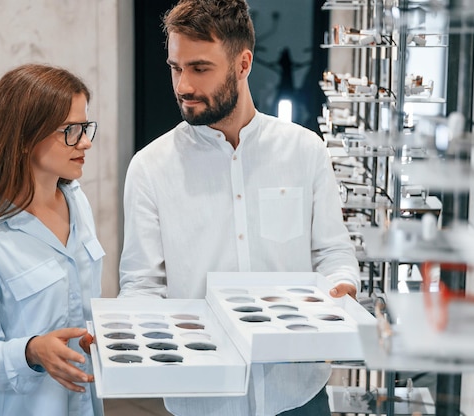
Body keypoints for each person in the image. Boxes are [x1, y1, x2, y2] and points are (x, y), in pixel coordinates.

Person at [119, 0, 360, 414]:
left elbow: (333, 253)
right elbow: (142, 285)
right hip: (201, 398)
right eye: (176, 68)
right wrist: (122, 334)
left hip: (298, 393)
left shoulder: (304, 150)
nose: (183, 86)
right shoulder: (149, 168)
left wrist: (341, 286)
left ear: (243, 63)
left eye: (199, 68)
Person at [0, 64, 104, 416]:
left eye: (86, 127)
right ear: (25, 138)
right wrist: (31, 351)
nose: (86, 141)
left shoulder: (79, 202)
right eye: (71, 131)